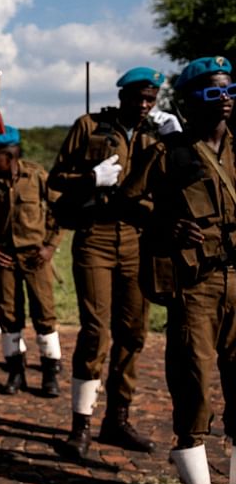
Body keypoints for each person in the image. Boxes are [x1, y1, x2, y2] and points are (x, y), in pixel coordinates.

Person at [122, 56, 236, 484]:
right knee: (193, 378)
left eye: (231, 89)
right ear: (189, 101)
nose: (226, 98)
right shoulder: (169, 153)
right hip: (197, 283)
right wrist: (168, 226)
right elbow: (129, 201)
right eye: (214, 91)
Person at [49, 67, 177, 458]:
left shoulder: (159, 134)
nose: (144, 105)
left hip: (138, 238)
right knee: (94, 331)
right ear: (122, 96)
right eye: (138, 97)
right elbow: (56, 178)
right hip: (96, 236)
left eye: (151, 98)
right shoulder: (88, 126)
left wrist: (177, 137)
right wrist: (90, 178)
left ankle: (117, 420)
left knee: (133, 332)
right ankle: (80, 425)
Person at [0, 126, 63, 396]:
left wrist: (49, 246)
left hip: (36, 258)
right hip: (5, 260)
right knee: (9, 316)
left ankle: (50, 373)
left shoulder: (36, 175)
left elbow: (59, 211)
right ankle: (15, 372)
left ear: (9, 155)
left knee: (44, 315)